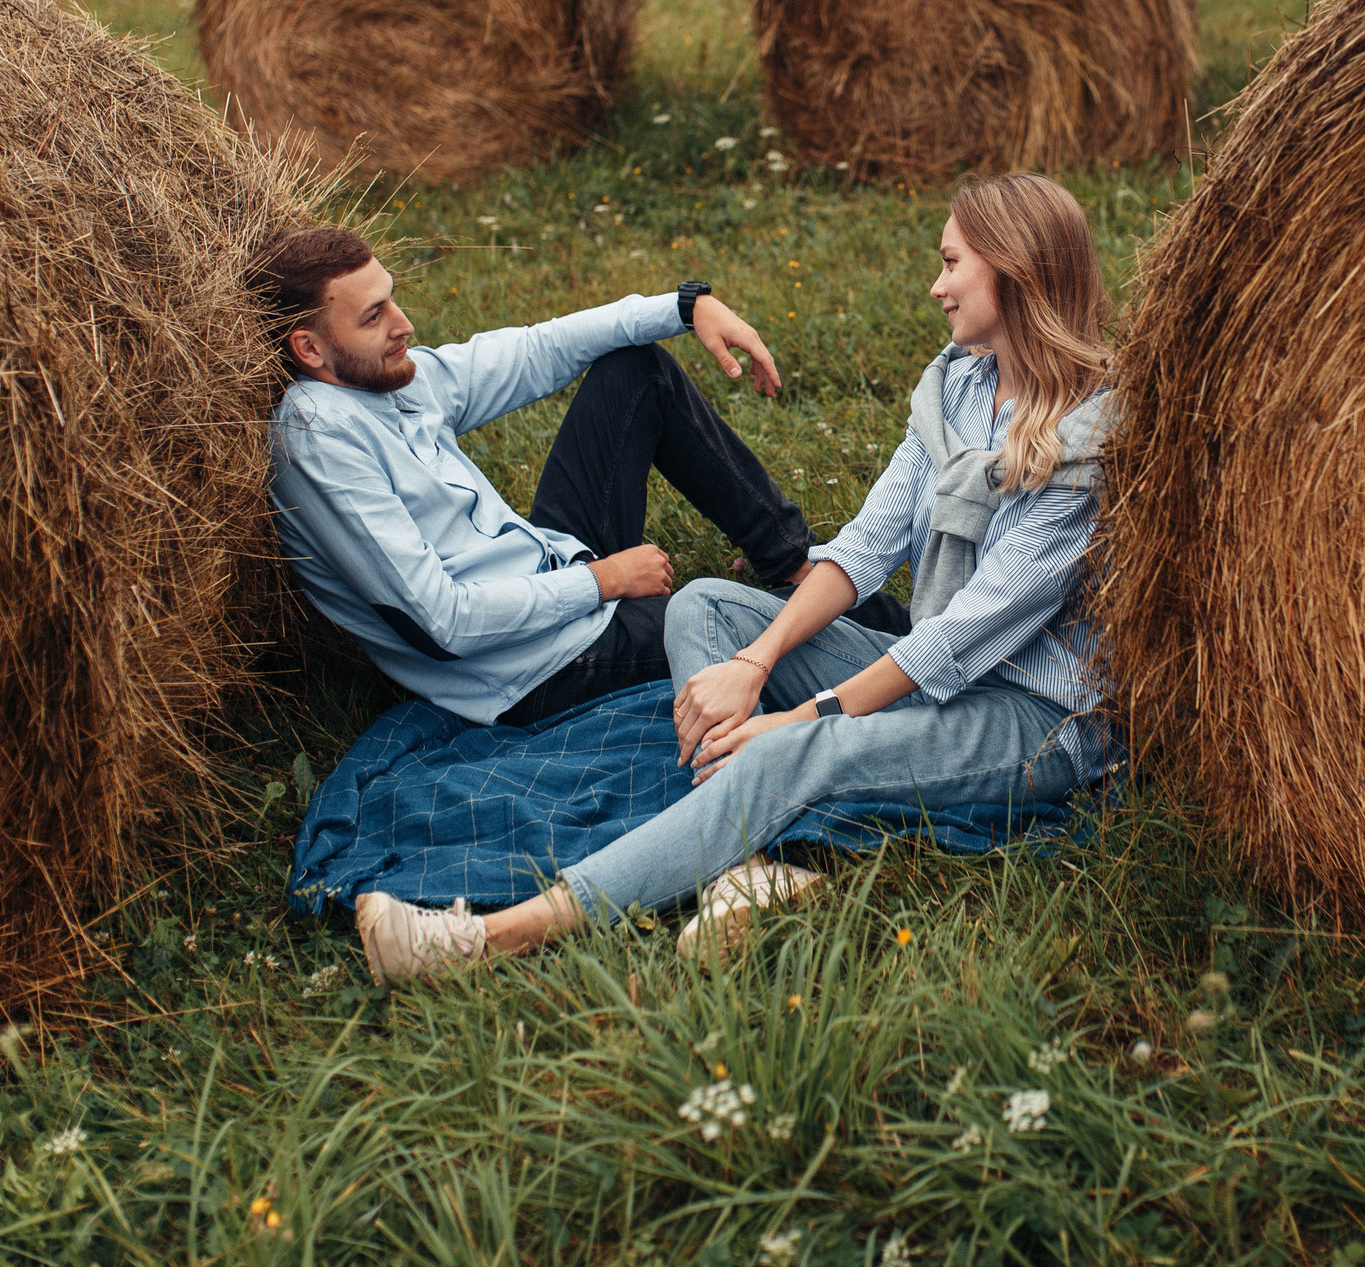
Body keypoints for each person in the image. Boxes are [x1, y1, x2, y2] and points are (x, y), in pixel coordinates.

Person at [353, 173, 1119, 982]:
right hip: (936, 664)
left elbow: (955, 641)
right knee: (704, 611)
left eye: (951, 262)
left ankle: (494, 937)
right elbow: (863, 546)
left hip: (1029, 712)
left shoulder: (1085, 446)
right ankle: (746, 866)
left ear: (1012, 269)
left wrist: (797, 722)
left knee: (790, 753)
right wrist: (755, 662)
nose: (935, 285)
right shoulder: (958, 383)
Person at [255, 224, 904, 731]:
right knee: (738, 620)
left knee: (633, 371)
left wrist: (685, 306)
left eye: (391, 298)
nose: (404, 325)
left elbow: (539, 349)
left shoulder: (387, 379)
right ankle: (915, 642)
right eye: (374, 317)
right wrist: (605, 580)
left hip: (550, 573)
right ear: (310, 349)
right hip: (537, 667)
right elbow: (443, 622)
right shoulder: (318, 439)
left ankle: (792, 561)